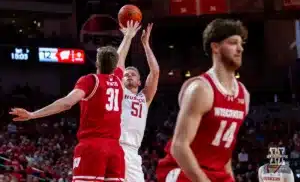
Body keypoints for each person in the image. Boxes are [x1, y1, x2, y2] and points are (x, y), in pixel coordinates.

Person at [9, 20, 141, 182]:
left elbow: (66, 103)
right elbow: (121, 58)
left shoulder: (91, 80)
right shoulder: (119, 82)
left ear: (97, 63)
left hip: (92, 147)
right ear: (115, 66)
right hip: (115, 149)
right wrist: (128, 37)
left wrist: (32, 115)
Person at [156, 19, 250, 182]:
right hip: (182, 169)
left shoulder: (243, 95)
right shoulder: (201, 89)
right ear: (215, 47)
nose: (240, 49)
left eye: (241, 44)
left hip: (217, 172)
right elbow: (179, 146)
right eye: (233, 43)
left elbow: (224, 155)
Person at [120, 23, 159, 182]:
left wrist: (145, 44)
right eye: (126, 74)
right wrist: (127, 37)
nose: (129, 76)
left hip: (132, 151)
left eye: (133, 75)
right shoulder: (119, 92)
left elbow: (155, 72)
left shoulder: (144, 98)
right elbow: (118, 63)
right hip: (115, 145)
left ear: (139, 82)